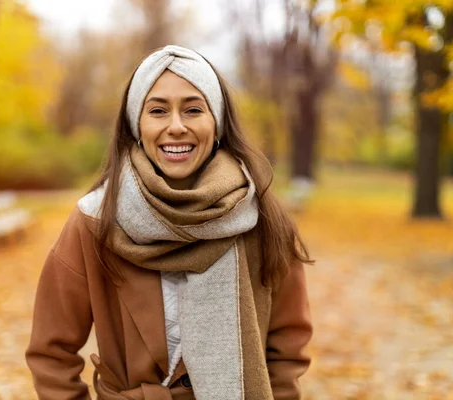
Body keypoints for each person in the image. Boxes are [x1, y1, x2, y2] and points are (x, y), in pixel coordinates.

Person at [25, 45, 313, 400]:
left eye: (193, 109)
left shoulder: (260, 217)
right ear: (137, 124)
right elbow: (51, 352)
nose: (176, 127)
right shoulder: (95, 220)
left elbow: (287, 350)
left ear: (217, 122)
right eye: (158, 110)